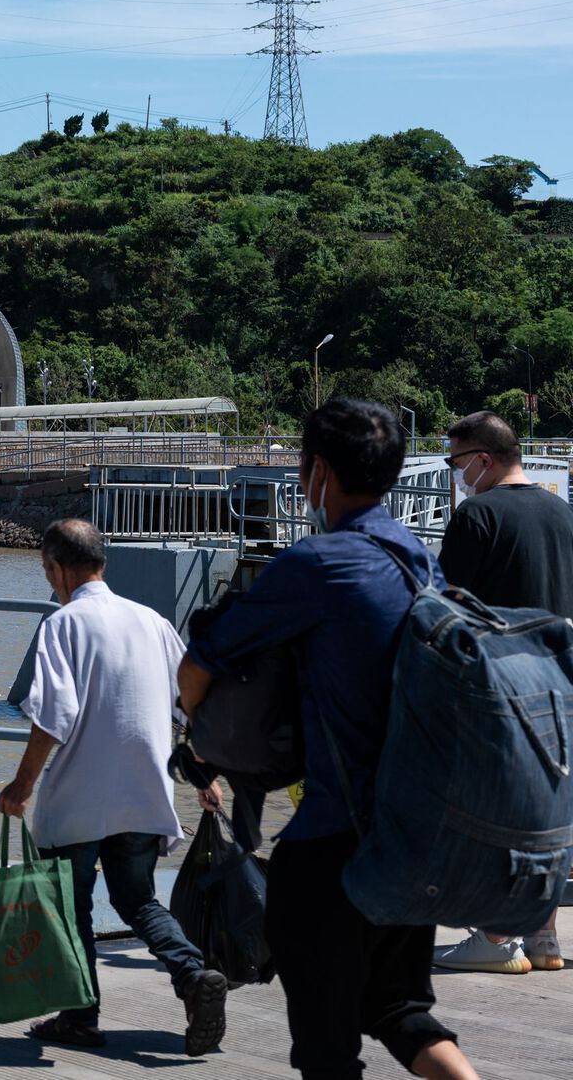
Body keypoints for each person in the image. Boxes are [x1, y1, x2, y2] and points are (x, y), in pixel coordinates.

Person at [181, 398, 479, 1080]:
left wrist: (194, 730)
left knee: (325, 1045)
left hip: (334, 845)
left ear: (317, 472)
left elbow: (201, 662)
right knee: (399, 1008)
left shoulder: (319, 564)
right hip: (412, 838)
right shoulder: (420, 562)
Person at [0, 519, 227, 1054]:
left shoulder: (63, 624)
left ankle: (80, 1017)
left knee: (71, 906)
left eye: (46, 572)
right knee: (138, 899)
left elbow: (54, 715)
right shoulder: (151, 621)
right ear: (103, 562)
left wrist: (22, 784)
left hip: (79, 799)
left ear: (56, 568)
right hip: (145, 794)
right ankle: (193, 975)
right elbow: (191, 705)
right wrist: (202, 775)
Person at [432, 411, 573, 974]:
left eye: (455, 460)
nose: (455, 471)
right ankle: (543, 936)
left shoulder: (478, 515)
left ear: (482, 460)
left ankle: (494, 940)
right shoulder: (562, 513)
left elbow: (446, 609)